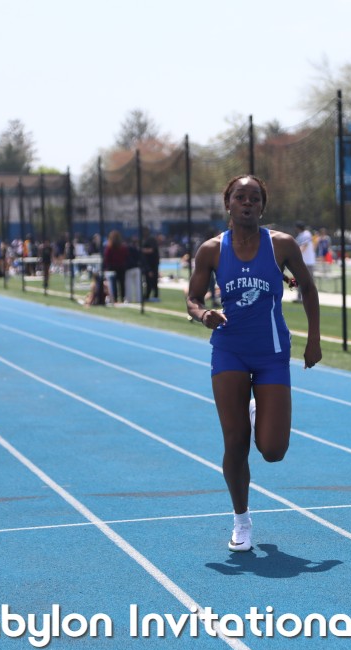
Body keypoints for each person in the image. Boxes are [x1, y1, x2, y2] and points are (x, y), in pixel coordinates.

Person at [185, 175, 321, 552]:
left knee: (273, 451)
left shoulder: (282, 245)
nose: (248, 203)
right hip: (229, 349)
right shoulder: (212, 250)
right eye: (240, 197)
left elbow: (308, 288)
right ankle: (241, 520)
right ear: (227, 203)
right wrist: (203, 314)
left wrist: (314, 339)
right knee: (235, 441)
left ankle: (256, 406)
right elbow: (193, 298)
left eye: (255, 198)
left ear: (263, 206)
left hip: (272, 351)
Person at [103, 230, 130, 303]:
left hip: (112, 268)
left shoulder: (109, 247)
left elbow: (106, 258)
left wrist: (106, 267)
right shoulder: (123, 247)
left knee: (113, 284)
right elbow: (126, 256)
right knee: (122, 284)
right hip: (121, 267)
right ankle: (123, 297)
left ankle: (114, 298)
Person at [293, 222, 316, 303]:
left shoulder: (306, 234)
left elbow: (304, 246)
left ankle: (311, 298)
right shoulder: (299, 236)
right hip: (302, 262)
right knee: (299, 280)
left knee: (309, 281)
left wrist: (295, 255)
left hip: (308, 262)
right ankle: (299, 297)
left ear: (298, 228)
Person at [141, 228, 160, 302]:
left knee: (152, 280)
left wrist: (142, 250)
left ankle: (154, 295)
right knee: (149, 281)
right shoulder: (146, 240)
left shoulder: (151, 240)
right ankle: (148, 295)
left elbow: (151, 250)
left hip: (152, 264)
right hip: (149, 264)